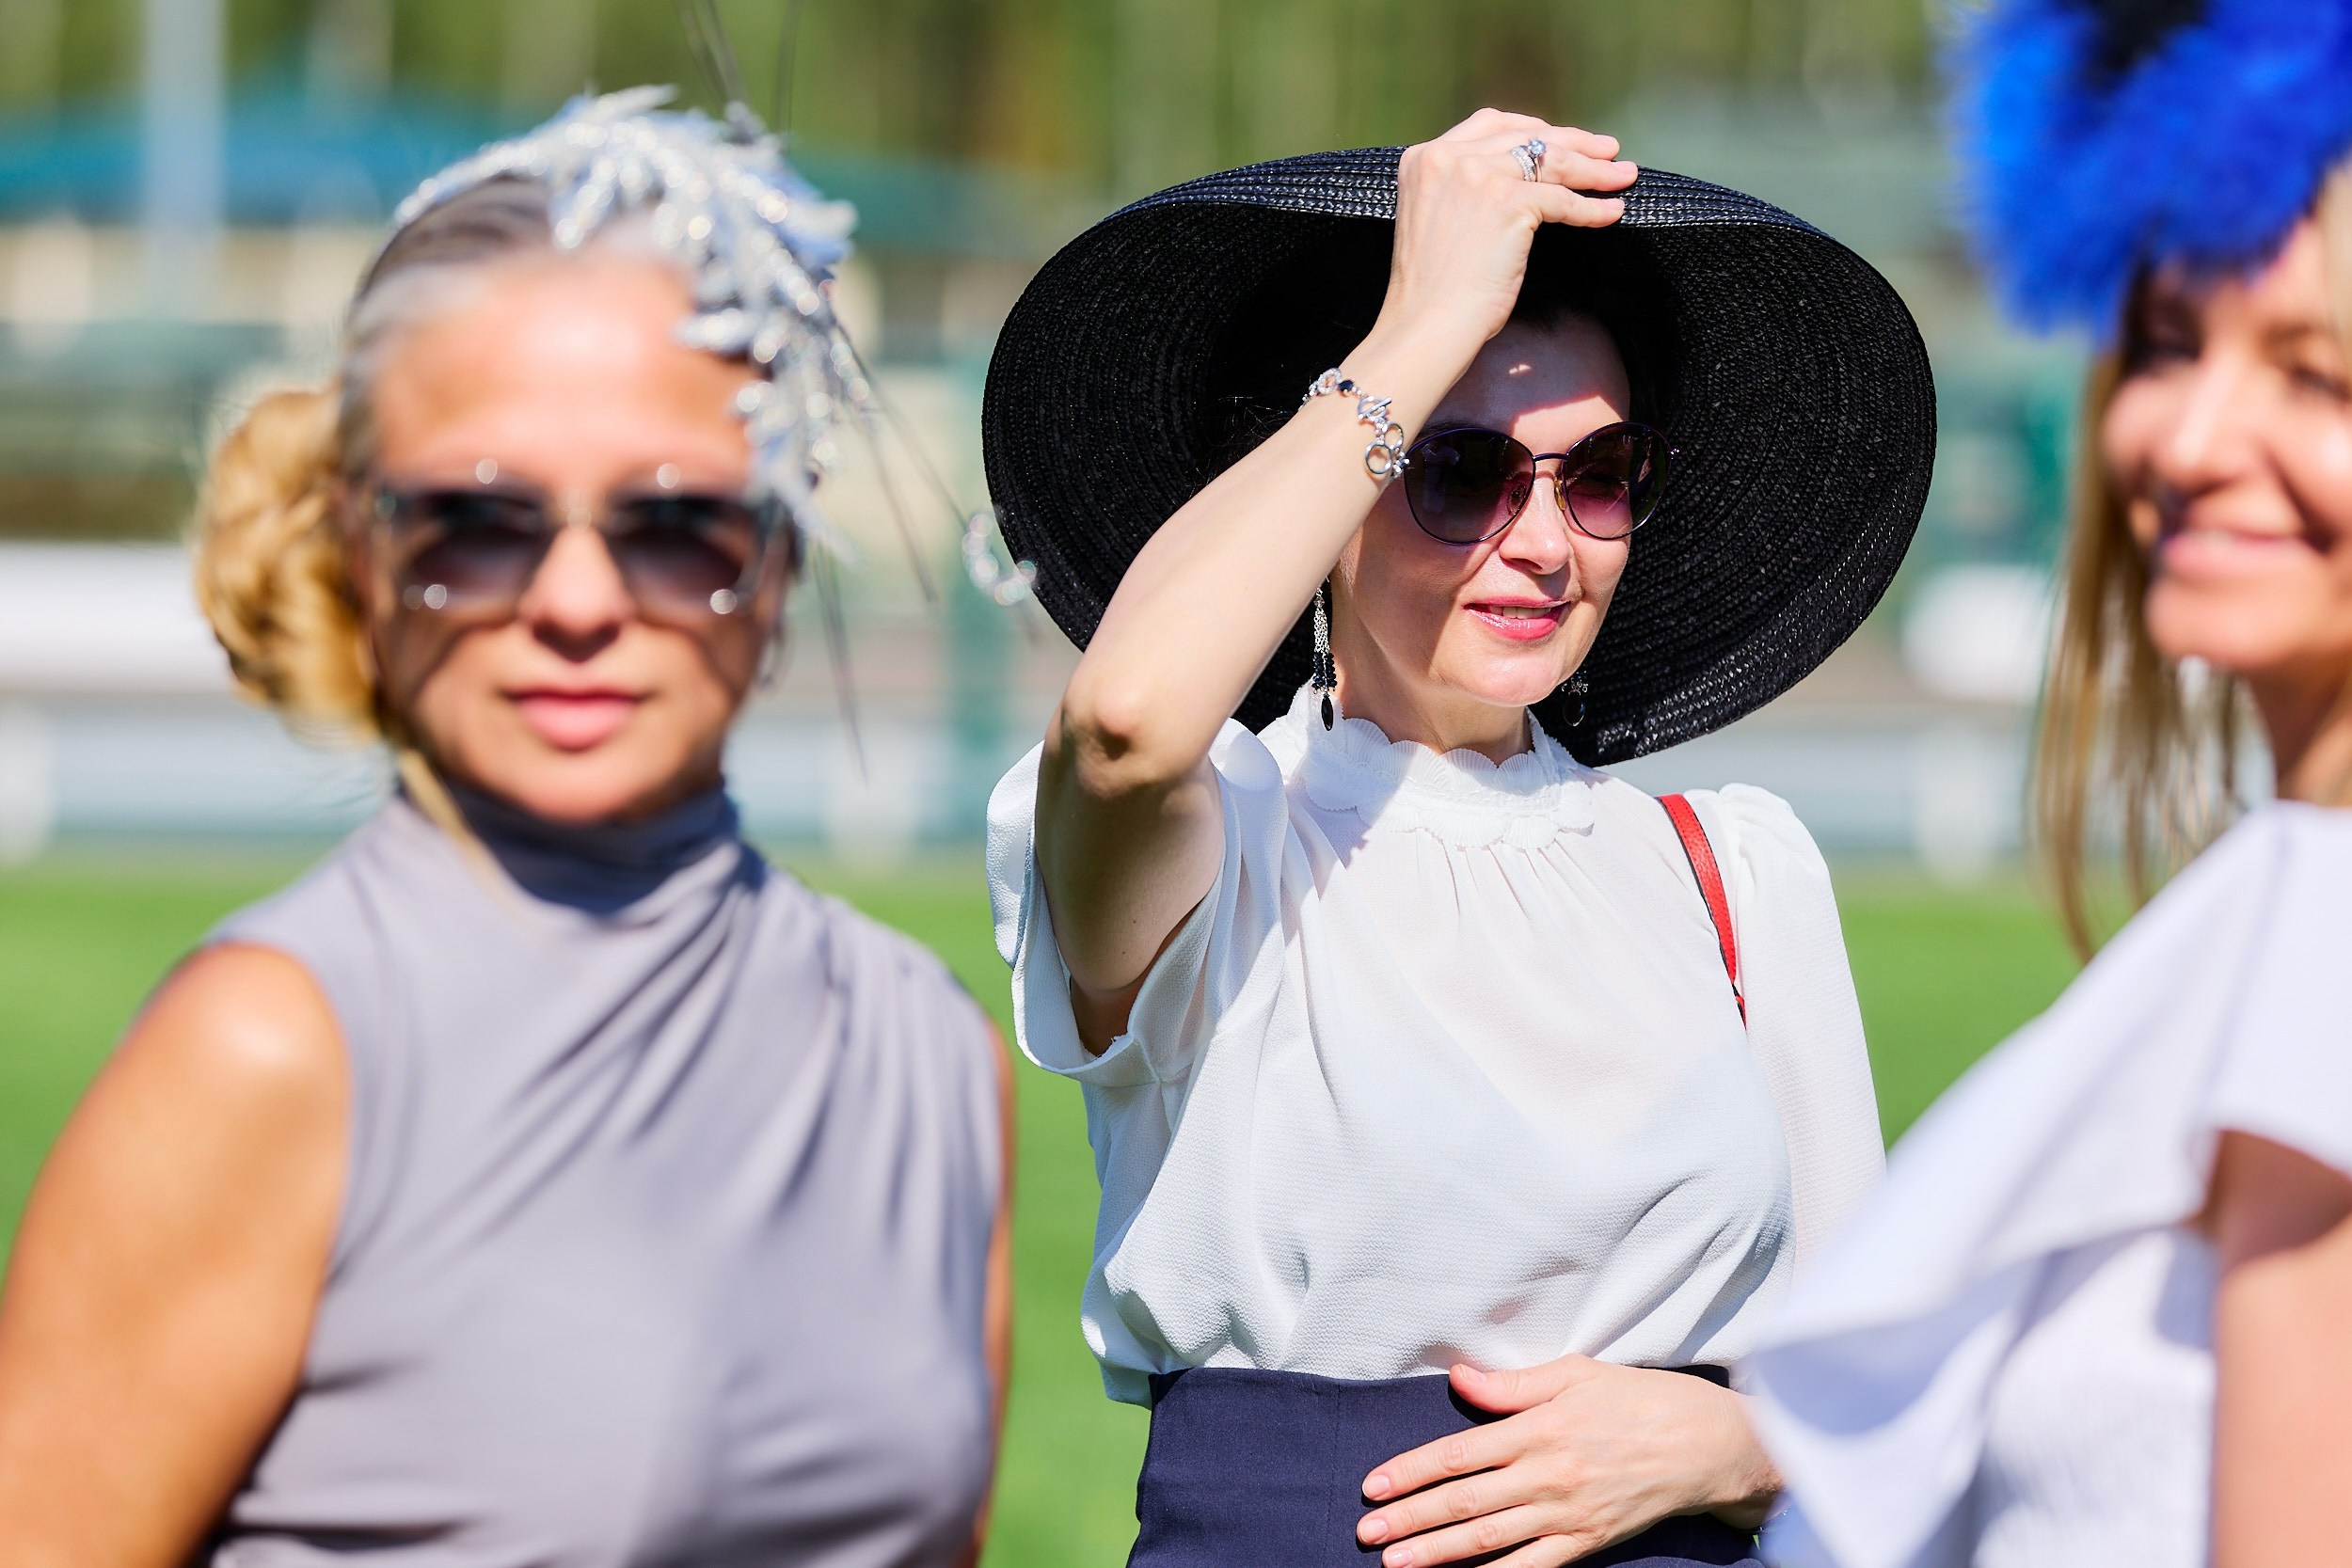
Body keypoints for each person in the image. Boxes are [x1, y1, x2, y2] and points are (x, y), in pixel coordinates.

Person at [0, 90, 1009, 1568]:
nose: (579, 604)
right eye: (479, 522)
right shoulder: (275, 1049)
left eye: (676, 526)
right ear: (360, 546)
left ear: (782, 558)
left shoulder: (930, 1050)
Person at [979, 110, 1935, 1566]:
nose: (1547, 545)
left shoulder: (1729, 872)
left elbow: (1882, 1392)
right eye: (1457, 471)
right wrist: (1420, 320)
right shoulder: (1230, 843)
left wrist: (1738, 1444)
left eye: (1599, 473)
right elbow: (1120, 724)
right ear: (1335, 486)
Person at [1745, 4, 2352, 1564]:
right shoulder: (2285, 889)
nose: (2194, 439)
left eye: (2320, 380)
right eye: (2168, 341)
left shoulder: (2331, 944)